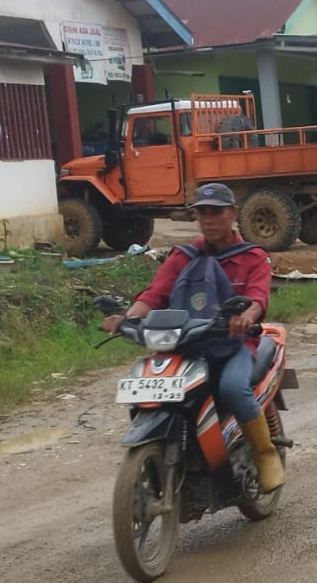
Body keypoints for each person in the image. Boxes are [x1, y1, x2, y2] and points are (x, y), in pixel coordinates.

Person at [100, 183, 283, 493]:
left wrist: (246, 318)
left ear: (232, 214)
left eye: (216, 212)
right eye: (202, 213)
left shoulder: (253, 257)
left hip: (233, 345)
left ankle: (266, 454)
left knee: (233, 388)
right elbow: (155, 294)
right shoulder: (183, 255)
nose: (209, 220)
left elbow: (256, 298)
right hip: (186, 344)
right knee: (151, 387)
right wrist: (127, 318)